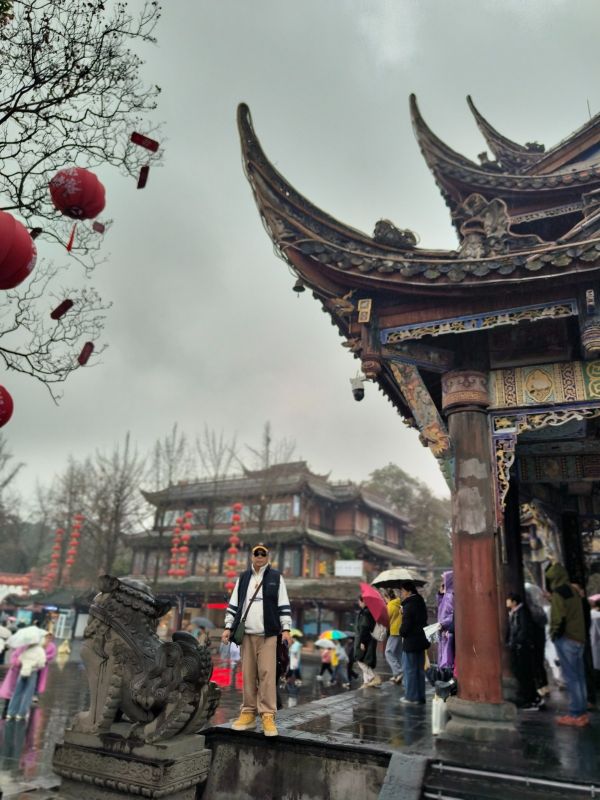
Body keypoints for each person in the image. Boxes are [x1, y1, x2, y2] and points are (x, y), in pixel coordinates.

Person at [221, 543, 292, 737]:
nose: (259, 557)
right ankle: (248, 713)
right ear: (251, 556)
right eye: (256, 554)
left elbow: (283, 604)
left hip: (268, 634)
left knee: (267, 674)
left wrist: (286, 628)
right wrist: (228, 627)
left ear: (268, 557)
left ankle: (268, 715)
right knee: (248, 674)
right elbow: (234, 604)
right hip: (247, 635)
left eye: (263, 554)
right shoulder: (244, 577)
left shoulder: (276, 578)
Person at [545, 563, 588, 727]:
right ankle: (582, 713)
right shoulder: (574, 591)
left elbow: (558, 617)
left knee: (571, 677)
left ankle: (575, 713)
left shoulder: (559, 593)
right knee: (579, 677)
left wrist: (554, 633)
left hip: (566, 638)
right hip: (579, 637)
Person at [505, 593, 540, 709]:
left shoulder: (522, 613)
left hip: (522, 647)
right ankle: (527, 697)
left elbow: (523, 630)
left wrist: (516, 642)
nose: (507, 602)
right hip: (517, 646)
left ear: (514, 602)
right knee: (520, 672)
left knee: (525, 673)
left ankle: (531, 699)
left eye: (508, 600)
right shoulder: (514, 613)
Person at [398, 581, 429, 704]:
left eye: (402, 591)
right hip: (421, 640)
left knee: (410, 670)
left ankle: (411, 697)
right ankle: (420, 696)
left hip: (411, 642)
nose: (401, 594)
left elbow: (406, 626)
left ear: (409, 591)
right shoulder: (420, 602)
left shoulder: (409, 605)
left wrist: (401, 631)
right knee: (419, 670)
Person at [5, 637, 46, 721]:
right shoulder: (40, 650)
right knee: (28, 693)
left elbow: (20, 659)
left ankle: (11, 713)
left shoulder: (26, 649)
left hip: (23, 671)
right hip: (32, 672)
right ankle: (21, 714)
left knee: (17, 692)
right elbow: (42, 663)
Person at [354, 596, 380, 688]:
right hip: (370, 639)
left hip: (365, 639)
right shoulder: (370, 611)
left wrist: (362, 642)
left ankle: (373, 676)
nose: (359, 603)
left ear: (364, 601)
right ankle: (367, 682)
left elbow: (364, 627)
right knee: (366, 661)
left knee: (359, 659)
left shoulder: (366, 613)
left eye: (359, 601)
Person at [437, 571, 455, 676]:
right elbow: (441, 608)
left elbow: (453, 614)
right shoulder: (447, 595)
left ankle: (445, 676)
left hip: (446, 630)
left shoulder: (450, 596)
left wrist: (443, 623)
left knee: (446, 656)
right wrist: (440, 595)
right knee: (443, 655)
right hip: (444, 629)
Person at [384, 589, 403, 684]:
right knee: (398, 653)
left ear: (387, 597)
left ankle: (398, 672)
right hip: (400, 631)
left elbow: (385, 619)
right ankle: (399, 674)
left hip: (394, 631)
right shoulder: (399, 604)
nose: (385, 600)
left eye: (385, 598)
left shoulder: (390, 605)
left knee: (388, 652)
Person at [34, 632, 57, 703]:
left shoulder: (52, 646)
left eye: (50, 638)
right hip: (36, 664)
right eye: (47, 637)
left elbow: (52, 655)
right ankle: (30, 693)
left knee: (39, 680)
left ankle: (35, 695)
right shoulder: (40, 644)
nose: (48, 639)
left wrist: (44, 657)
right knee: (33, 679)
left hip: (44, 665)